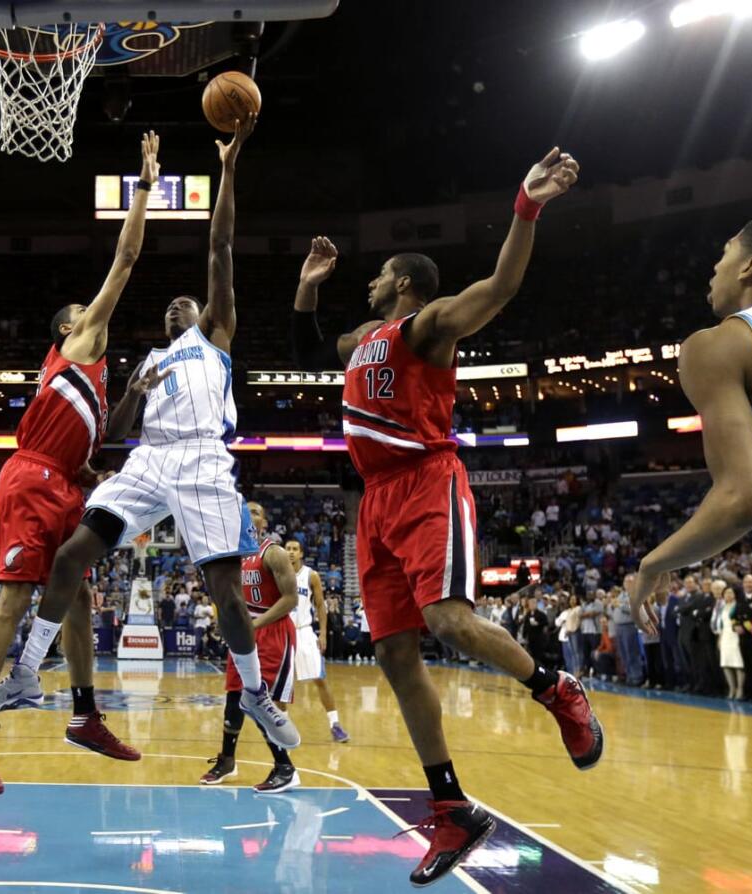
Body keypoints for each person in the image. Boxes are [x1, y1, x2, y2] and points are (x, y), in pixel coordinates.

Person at [289, 147, 599, 886]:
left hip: (427, 481)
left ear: (400, 282)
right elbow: (307, 350)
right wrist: (306, 288)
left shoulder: (424, 325)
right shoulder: (363, 340)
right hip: (375, 501)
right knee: (397, 655)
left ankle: (556, 687)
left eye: (375, 275)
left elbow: (500, 286)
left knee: (449, 620)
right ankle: (451, 808)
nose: (365, 281)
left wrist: (527, 206)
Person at [7, 117, 300, 756]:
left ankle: (254, 693)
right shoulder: (145, 362)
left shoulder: (214, 337)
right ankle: (28, 667)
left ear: (203, 315)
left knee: (225, 594)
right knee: (68, 558)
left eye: (183, 304)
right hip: (147, 460)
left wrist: (228, 167)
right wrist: (134, 396)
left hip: (201, 458)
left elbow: (219, 248)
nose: (175, 307)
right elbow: (110, 436)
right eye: (169, 307)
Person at [0, 133, 160, 794]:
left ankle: (84, 714)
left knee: (77, 597)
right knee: (13, 600)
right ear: (67, 329)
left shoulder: (96, 377)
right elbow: (125, 260)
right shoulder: (79, 346)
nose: (93, 313)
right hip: (31, 478)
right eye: (82, 311)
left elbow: (105, 443)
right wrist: (145, 186)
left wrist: (130, 397)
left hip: (64, 480)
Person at [626, 214, 752, 893]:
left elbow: (743, 497)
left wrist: (655, 563)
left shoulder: (719, 343)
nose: (712, 270)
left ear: (751, 266)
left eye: (723, 255)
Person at [199, 501, 301, 792]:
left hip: (272, 631)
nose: (249, 514)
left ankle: (286, 767)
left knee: (258, 701)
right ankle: (227, 760)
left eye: (256, 511)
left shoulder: (274, 553)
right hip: (244, 633)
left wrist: (253, 625)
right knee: (234, 698)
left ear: (264, 522)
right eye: (245, 511)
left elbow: (290, 599)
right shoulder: (235, 556)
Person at [284, 537, 349, 742]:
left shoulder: (311, 575)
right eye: (288, 549)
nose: (291, 552)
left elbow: (321, 605)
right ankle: (284, 726)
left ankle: (335, 725)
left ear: (301, 553)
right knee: (282, 683)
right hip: (282, 632)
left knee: (320, 679)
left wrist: (322, 633)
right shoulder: (277, 574)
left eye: (295, 549)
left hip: (304, 631)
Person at [715, 585, 745, 700]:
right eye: (726, 593)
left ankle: (740, 688)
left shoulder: (738, 606)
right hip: (725, 636)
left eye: (730, 593)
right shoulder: (723, 607)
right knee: (725, 664)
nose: (728, 595)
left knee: (738, 664)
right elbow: (722, 625)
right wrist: (720, 639)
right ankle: (731, 688)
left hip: (735, 637)